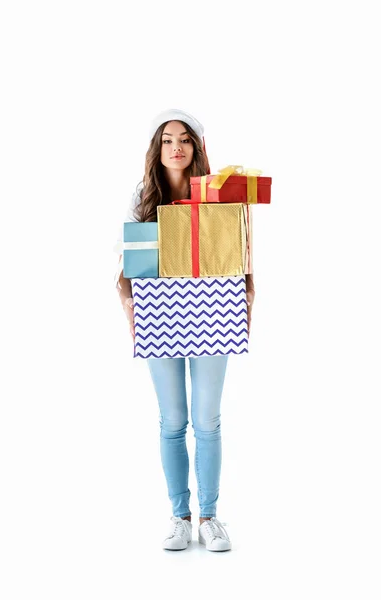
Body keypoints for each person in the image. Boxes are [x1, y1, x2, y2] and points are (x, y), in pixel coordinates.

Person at [115, 109, 255, 551]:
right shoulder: (142, 196)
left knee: (207, 420)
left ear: (196, 148)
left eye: (185, 140)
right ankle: (180, 516)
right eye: (167, 140)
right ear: (157, 151)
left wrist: (246, 303)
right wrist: (131, 311)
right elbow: (126, 268)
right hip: (160, 317)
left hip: (213, 312)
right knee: (172, 421)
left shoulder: (218, 196)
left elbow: (243, 256)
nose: (176, 147)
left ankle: (210, 517)